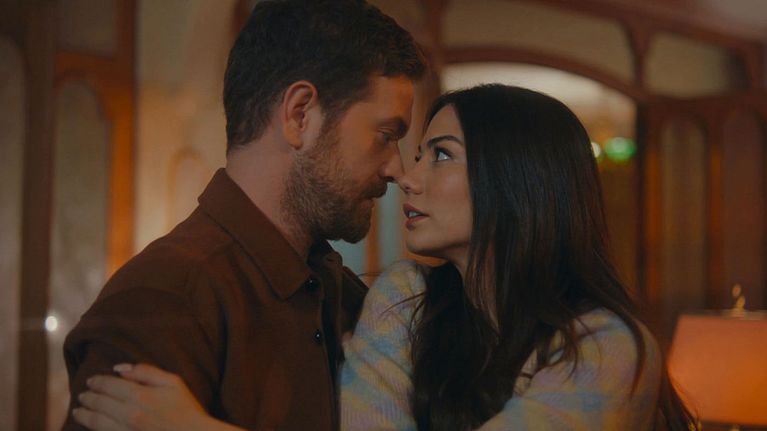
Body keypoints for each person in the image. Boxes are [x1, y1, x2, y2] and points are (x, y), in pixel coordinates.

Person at [71, 85, 697, 430]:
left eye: (439, 154)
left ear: (519, 181)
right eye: (406, 147)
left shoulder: (606, 347)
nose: (406, 176)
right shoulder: (404, 300)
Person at [62, 0, 425, 430]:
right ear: (300, 115)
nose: (397, 168)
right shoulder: (162, 299)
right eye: (386, 135)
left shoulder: (343, 294)